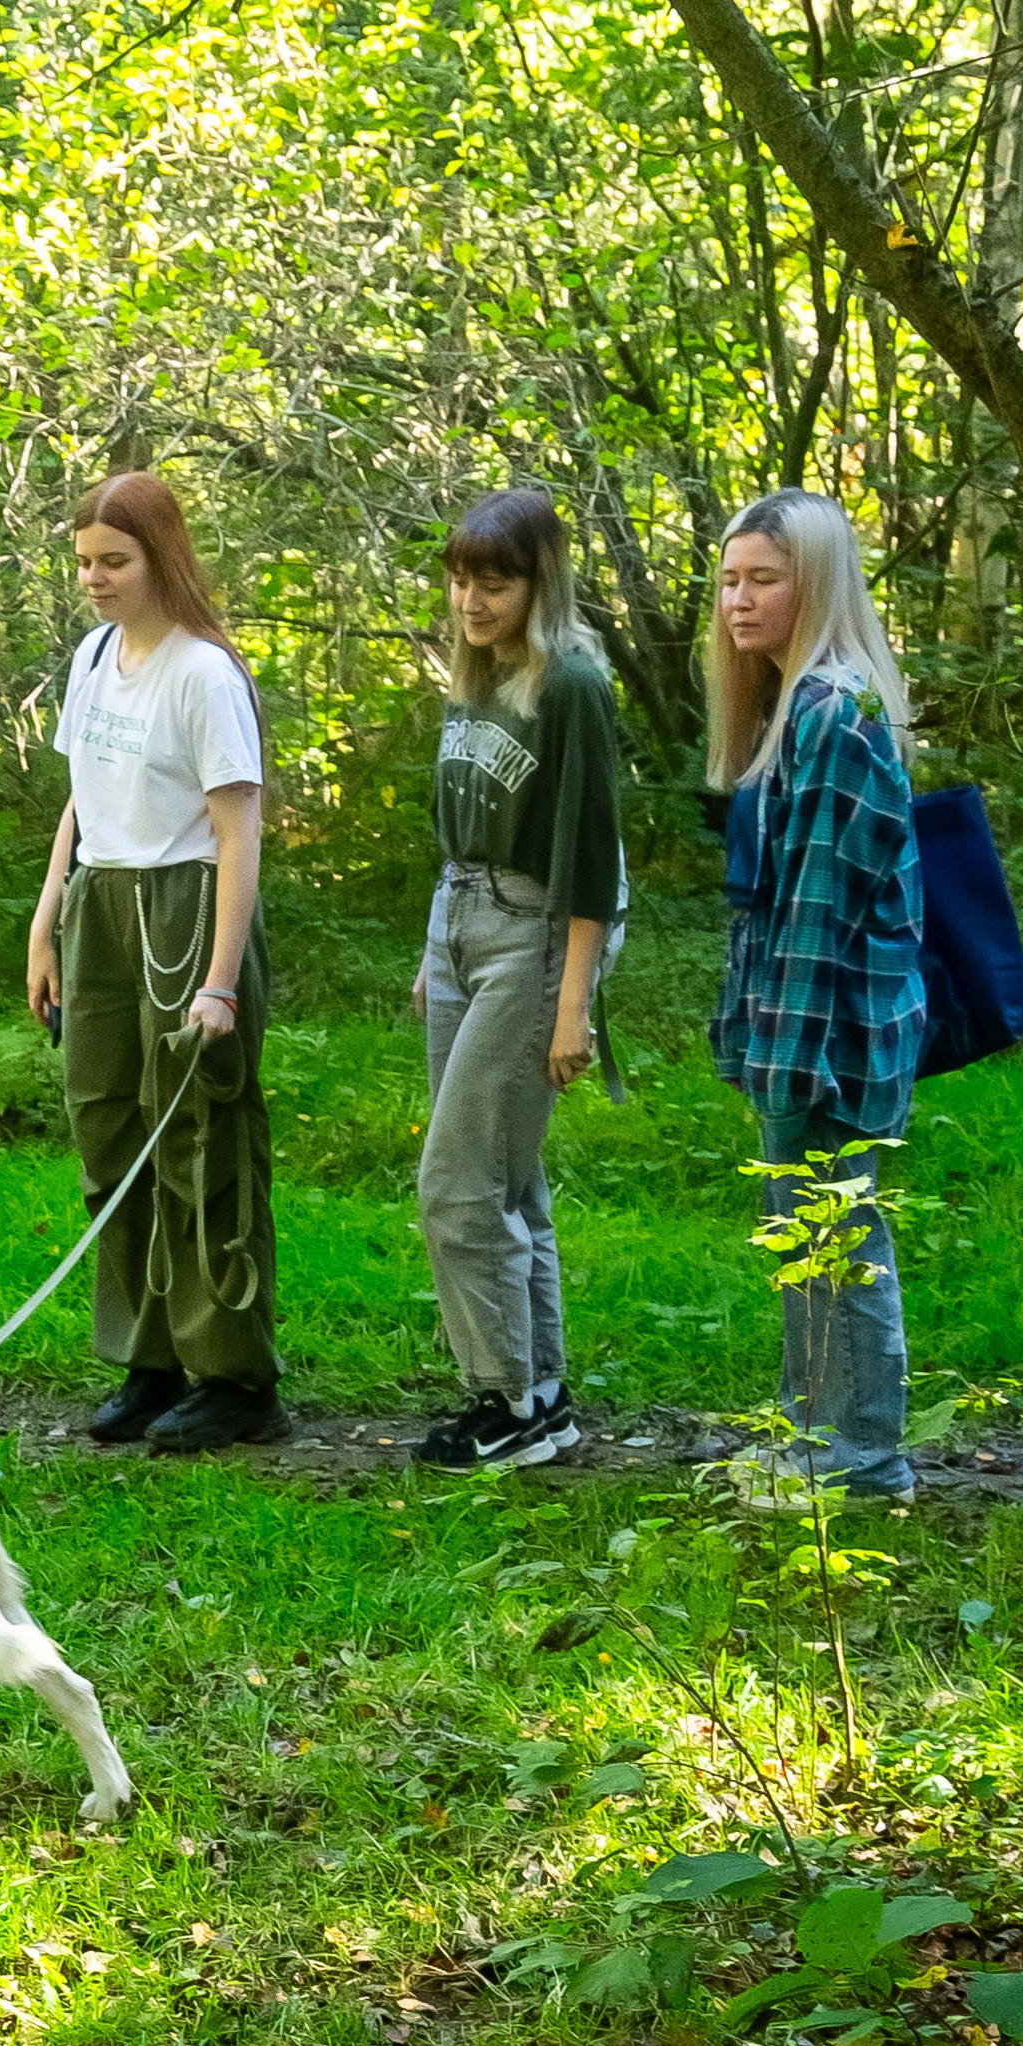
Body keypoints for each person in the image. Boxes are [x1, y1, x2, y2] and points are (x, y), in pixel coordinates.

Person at [24, 470, 286, 1454]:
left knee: (197, 1144)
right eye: (84, 562)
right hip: (100, 903)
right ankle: (150, 1360)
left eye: (113, 562)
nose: (93, 579)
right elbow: (80, 798)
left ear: (159, 557)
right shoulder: (95, 655)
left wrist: (217, 981)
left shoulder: (202, 672)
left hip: (184, 908)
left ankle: (235, 1378)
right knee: (109, 1137)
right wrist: (47, 918)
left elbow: (238, 830)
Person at [708, 488, 925, 1502]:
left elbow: (815, 916)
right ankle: (815, 1436)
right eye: (726, 580)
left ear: (816, 583)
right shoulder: (792, 705)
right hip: (803, 1028)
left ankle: (862, 1458)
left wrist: (776, 1066)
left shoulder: (835, 712)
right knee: (807, 1238)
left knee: (834, 1239)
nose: (736, 602)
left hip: (829, 1036)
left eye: (762, 579)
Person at [410, 485, 623, 1470]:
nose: (470, 599)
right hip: (459, 925)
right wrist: (431, 952)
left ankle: (505, 1400)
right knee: (504, 1179)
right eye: (459, 579)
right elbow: (454, 836)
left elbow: (587, 859)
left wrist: (570, 1006)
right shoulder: (474, 676)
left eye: (492, 580)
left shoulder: (569, 686)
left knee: (456, 1185)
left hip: (535, 939)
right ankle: (535, 1396)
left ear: (538, 581)